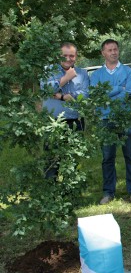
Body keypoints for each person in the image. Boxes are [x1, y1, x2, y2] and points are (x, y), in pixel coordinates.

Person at [90, 39, 131, 205]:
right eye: (109, 50)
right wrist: (120, 89)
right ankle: (108, 192)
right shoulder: (96, 75)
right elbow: (97, 97)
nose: (113, 52)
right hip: (105, 120)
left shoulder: (128, 72)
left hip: (126, 118)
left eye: (115, 49)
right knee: (107, 157)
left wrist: (108, 96)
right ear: (103, 53)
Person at [40, 42, 90, 178]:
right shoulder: (48, 71)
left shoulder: (83, 73)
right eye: (65, 55)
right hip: (53, 121)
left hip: (75, 121)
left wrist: (62, 96)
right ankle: (51, 192)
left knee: (73, 158)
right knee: (51, 158)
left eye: (71, 56)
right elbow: (46, 89)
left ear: (76, 56)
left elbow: (85, 94)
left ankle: (70, 192)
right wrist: (66, 78)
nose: (68, 59)